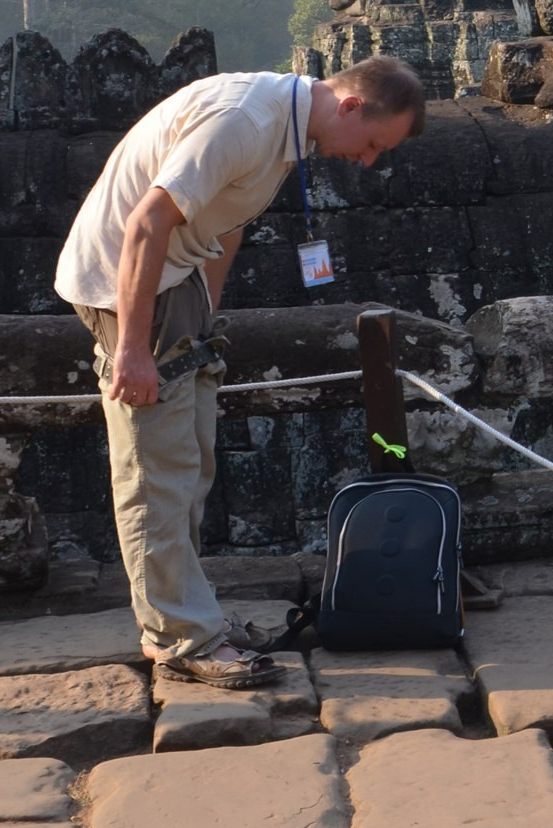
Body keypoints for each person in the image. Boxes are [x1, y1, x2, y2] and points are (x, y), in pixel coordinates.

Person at [55, 56, 426, 687]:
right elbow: (146, 224)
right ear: (351, 106)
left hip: (180, 283)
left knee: (191, 460)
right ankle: (181, 638)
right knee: (156, 470)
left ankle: (185, 619)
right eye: (370, 145)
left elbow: (226, 226)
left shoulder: (285, 127)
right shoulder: (245, 121)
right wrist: (134, 349)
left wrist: (204, 319)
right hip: (133, 287)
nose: (364, 162)